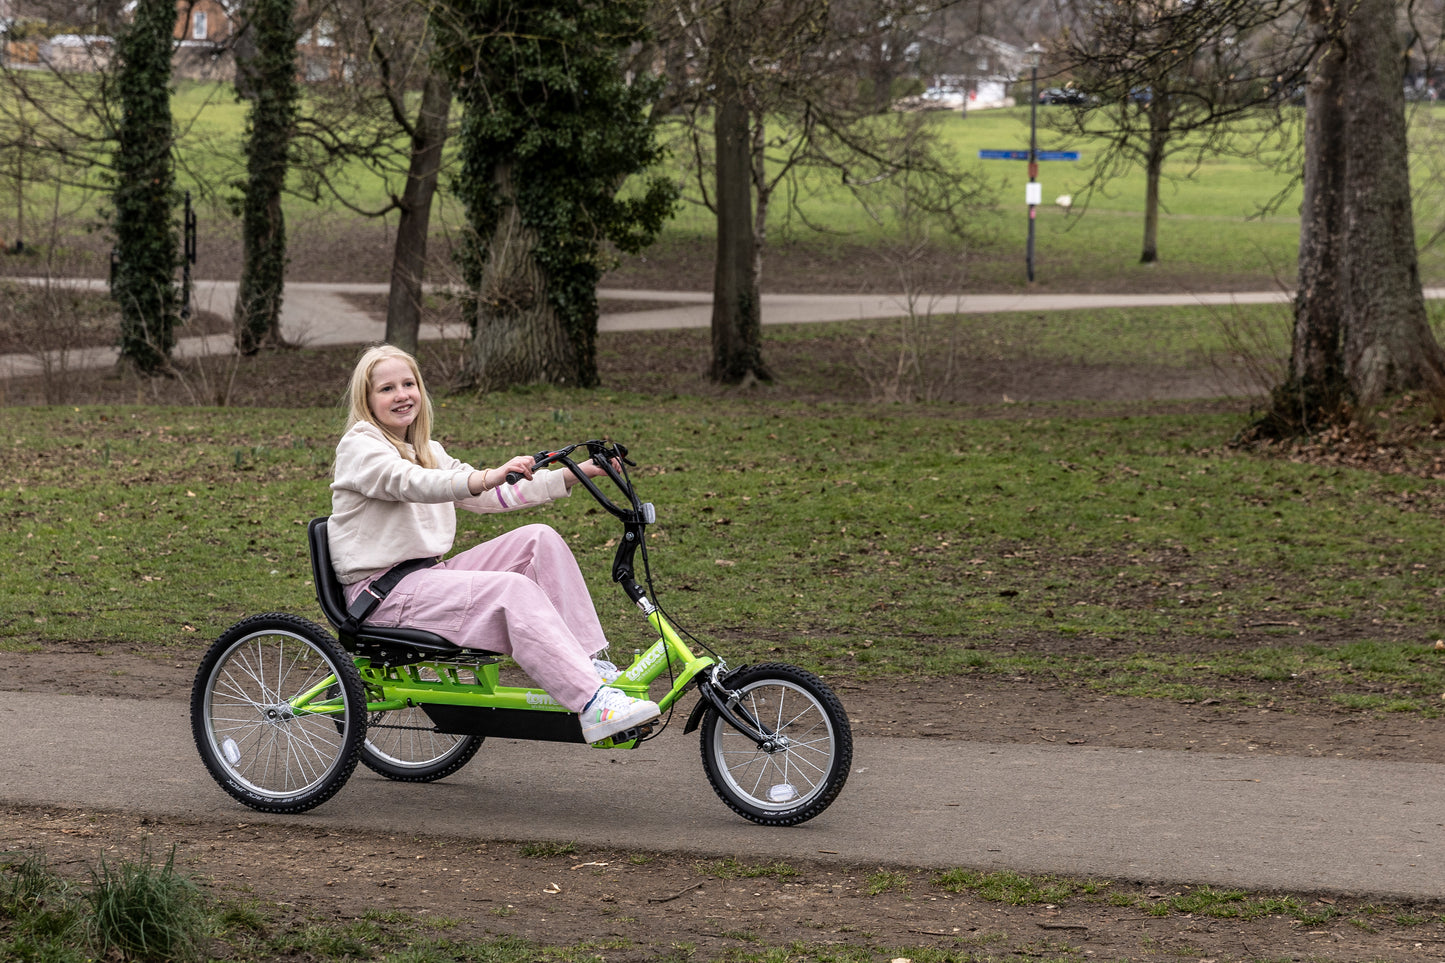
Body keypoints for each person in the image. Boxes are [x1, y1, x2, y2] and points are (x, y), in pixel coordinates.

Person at [327, 343, 660, 743]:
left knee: (540, 539)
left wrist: (576, 474)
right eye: (386, 389)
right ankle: (592, 703)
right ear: (367, 400)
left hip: (426, 576)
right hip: (382, 595)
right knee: (511, 590)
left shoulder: (427, 450)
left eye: (408, 383)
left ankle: (589, 665)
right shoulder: (360, 447)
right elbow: (414, 483)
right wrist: (488, 474)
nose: (401, 395)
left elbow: (486, 495)